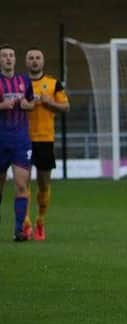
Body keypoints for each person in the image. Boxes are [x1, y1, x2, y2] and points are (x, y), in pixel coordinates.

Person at [22, 48, 70, 241]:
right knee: (22, 183)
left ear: (43, 61)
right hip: (22, 139)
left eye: (38, 58)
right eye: (31, 58)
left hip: (45, 139)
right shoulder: (20, 83)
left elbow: (66, 107)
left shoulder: (53, 83)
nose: (34, 61)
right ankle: (25, 223)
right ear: (26, 62)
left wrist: (50, 103)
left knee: (43, 184)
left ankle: (40, 221)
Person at [0, 45, 35, 241]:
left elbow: (31, 103)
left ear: (15, 59)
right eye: (4, 56)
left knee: (22, 184)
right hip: (0, 139)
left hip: (21, 140)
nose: (8, 58)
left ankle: (19, 229)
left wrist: (26, 105)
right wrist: (3, 105)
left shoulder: (24, 80)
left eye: (11, 55)